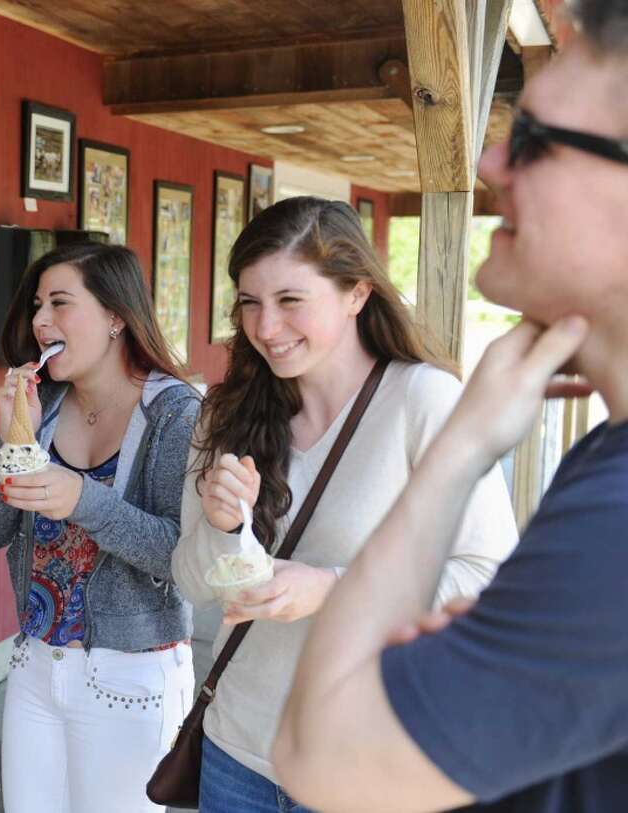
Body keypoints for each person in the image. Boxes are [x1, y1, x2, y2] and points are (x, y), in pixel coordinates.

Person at [273, 2, 628, 811]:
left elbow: (318, 750)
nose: (494, 163)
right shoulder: (605, 457)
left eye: (536, 141)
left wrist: (462, 445)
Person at [171, 197, 518, 813]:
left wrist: (331, 588)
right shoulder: (224, 413)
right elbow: (193, 584)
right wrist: (225, 530)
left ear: (356, 294)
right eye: (250, 302)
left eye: (290, 301)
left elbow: (489, 583)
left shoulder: (424, 402)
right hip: (237, 751)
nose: (265, 327)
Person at [0, 242, 200, 813]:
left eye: (61, 304)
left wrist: (83, 500)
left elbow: (184, 558)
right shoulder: (40, 409)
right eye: (38, 305)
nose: (41, 320)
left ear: (116, 316)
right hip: (36, 665)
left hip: (131, 676)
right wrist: (10, 442)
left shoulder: (177, 414)